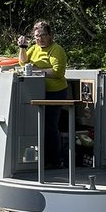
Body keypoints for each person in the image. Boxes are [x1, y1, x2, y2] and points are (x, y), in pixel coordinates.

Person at [17, 21, 69, 167]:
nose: (40, 39)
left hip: (55, 93)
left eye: (43, 35)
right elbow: (23, 63)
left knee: (50, 127)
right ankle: (42, 159)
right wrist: (22, 48)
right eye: (37, 36)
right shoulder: (34, 48)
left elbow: (58, 72)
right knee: (38, 126)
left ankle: (55, 161)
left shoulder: (57, 50)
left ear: (50, 35)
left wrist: (37, 71)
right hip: (37, 93)